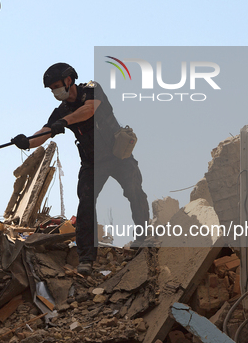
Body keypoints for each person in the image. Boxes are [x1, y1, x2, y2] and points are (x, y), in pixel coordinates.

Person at [11, 63, 149, 275]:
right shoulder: (60, 111)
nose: (54, 91)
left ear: (69, 80)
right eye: (51, 89)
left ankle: (144, 237)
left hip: (118, 155)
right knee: (86, 204)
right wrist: (27, 142)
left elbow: (89, 110)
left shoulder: (92, 90)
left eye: (56, 85)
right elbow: (46, 132)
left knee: (134, 191)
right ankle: (86, 258)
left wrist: (64, 122)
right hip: (92, 162)